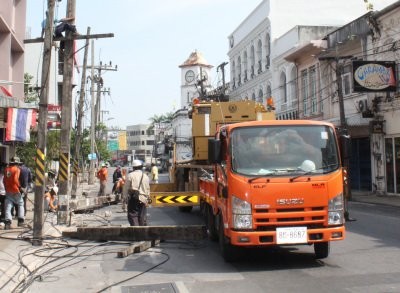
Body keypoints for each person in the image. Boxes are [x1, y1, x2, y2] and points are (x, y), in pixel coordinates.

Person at [122, 160, 150, 226]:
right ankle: (142, 231)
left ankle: (136, 231)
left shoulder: (130, 175)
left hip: (134, 198)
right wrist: (148, 199)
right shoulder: (145, 176)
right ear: (140, 167)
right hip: (143, 199)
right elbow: (148, 189)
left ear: (133, 167)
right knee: (142, 216)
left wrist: (124, 198)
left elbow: (125, 188)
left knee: (133, 215)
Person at [3, 157, 24, 229]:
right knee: (20, 204)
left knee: (8, 206)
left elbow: (4, 180)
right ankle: (20, 221)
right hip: (15, 190)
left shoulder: (6, 169)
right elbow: (15, 179)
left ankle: (8, 223)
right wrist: (20, 187)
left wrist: (6, 188)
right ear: (17, 163)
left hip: (8, 190)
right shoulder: (17, 169)